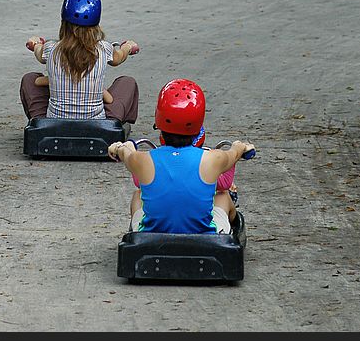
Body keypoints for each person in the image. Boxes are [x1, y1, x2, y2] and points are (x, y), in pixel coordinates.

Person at [108, 79, 255, 235]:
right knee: (224, 197)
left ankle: (138, 237)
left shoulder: (142, 160)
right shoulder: (213, 159)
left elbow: (126, 152)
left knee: (138, 196)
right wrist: (241, 146)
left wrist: (119, 148)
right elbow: (234, 153)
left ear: (159, 119)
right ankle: (231, 235)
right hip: (203, 240)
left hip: (152, 238)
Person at [20, 0, 138, 124]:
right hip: (96, 124)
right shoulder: (104, 48)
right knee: (127, 82)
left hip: (55, 122)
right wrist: (128, 47)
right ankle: (114, 126)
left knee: (30, 79)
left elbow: (39, 53)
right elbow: (119, 58)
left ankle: (39, 124)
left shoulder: (51, 48)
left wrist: (35, 43)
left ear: (64, 22)